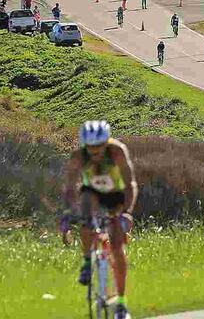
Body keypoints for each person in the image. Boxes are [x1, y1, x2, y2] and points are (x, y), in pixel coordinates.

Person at [60, 121, 137, 319]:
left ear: (107, 142)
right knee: (86, 214)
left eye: (99, 147)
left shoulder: (118, 151)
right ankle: (87, 260)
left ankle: (121, 303)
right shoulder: (78, 156)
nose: (95, 152)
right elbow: (69, 188)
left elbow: (130, 185)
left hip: (116, 195)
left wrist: (127, 213)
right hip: (92, 194)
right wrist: (67, 214)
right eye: (91, 148)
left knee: (118, 249)